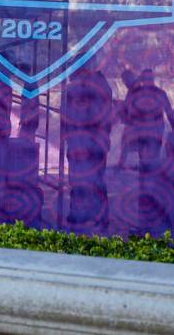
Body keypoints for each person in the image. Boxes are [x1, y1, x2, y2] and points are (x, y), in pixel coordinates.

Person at [63, 60, 114, 229]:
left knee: (90, 179)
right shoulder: (98, 86)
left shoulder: (92, 87)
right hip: (84, 142)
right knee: (85, 179)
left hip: (89, 142)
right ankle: (84, 215)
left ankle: (90, 215)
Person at [123, 68, 174, 163]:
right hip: (143, 129)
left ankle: (149, 171)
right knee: (145, 156)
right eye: (146, 78)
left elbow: (169, 111)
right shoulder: (136, 93)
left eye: (149, 78)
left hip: (153, 129)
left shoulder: (159, 93)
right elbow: (126, 106)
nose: (148, 81)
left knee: (151, 155)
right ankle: (147, 171)